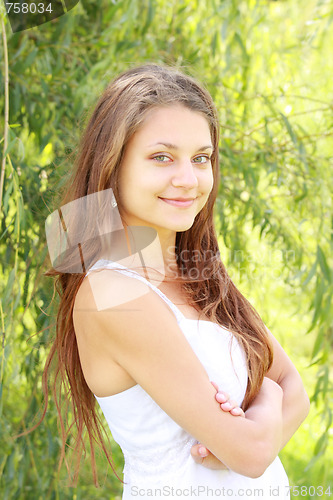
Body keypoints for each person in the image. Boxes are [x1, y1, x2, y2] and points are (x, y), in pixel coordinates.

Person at [43, 63, 310, 499]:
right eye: (161, 157)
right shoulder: (111, 294)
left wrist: (269, 409)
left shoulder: (197, 275)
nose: (189, 179)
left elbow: (297, 388)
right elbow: (252, 451)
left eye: (201, 158)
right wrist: (271, 402)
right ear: (112, 164)